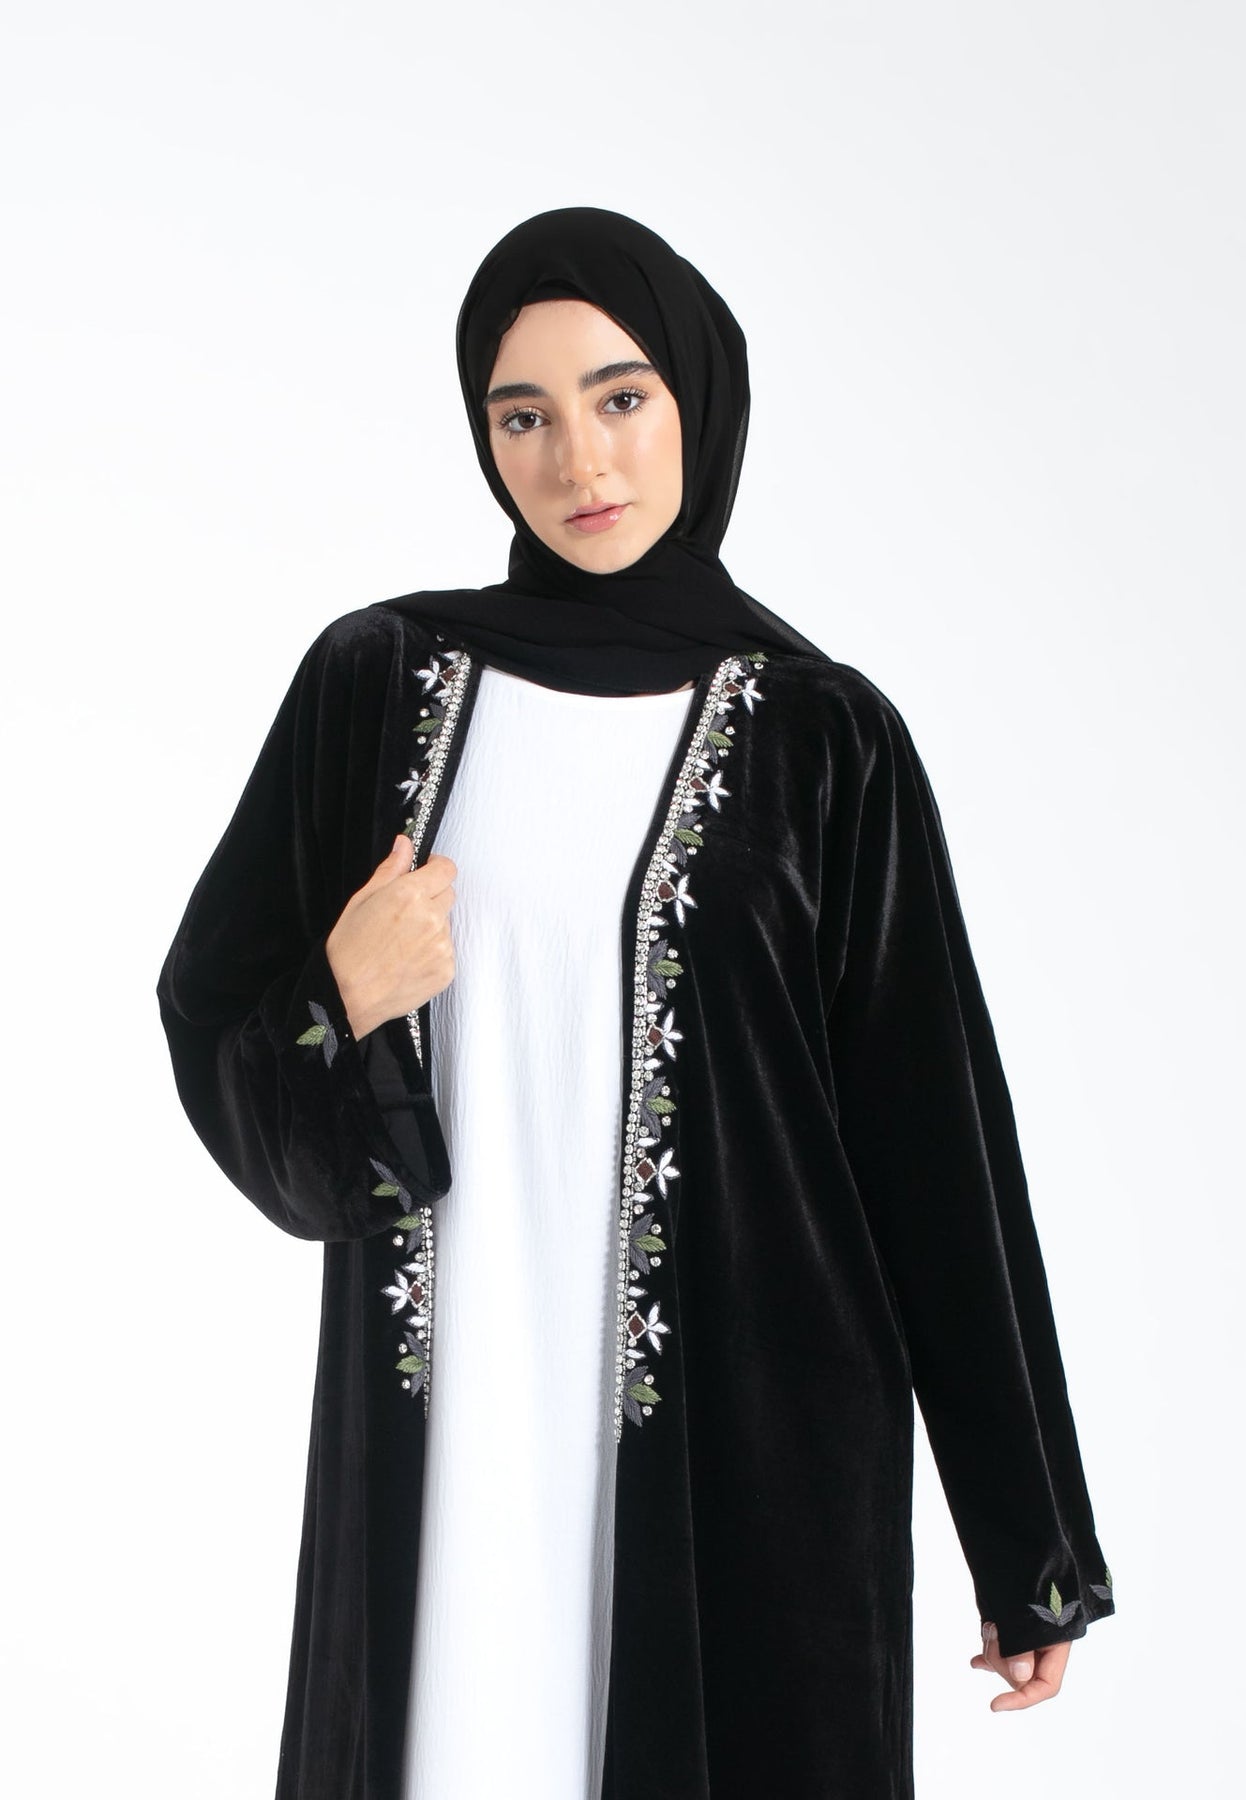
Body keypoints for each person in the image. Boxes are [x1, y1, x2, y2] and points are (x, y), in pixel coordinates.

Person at [156, 206, 1115, 1800]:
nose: (577, 460)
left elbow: (934, 1148)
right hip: (451, 1423)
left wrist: (1029, 1541)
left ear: (698, 400)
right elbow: (215, 1027)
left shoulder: (823, 738)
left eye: (620, 398)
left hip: (749, 1434)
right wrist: (341, 992)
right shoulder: (375, 683)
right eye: (521, 416)